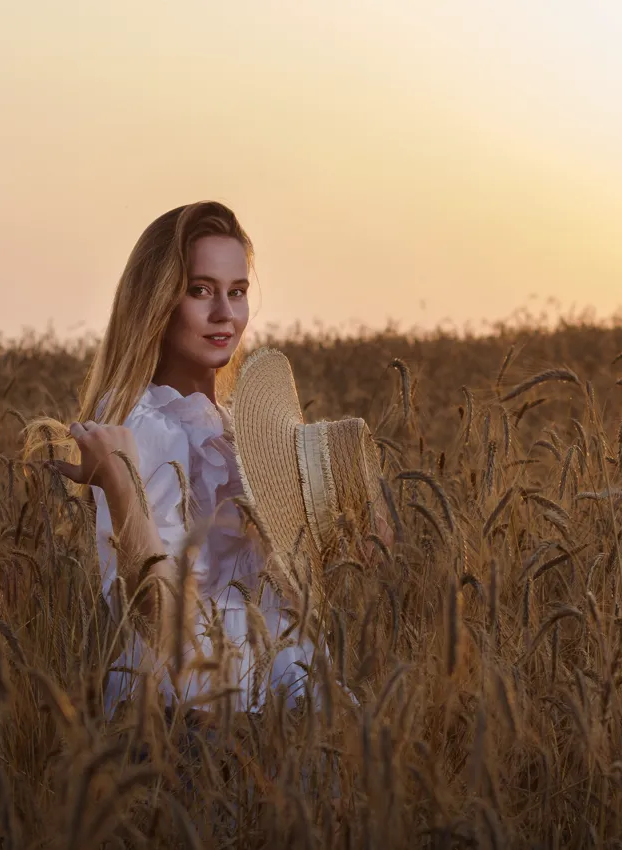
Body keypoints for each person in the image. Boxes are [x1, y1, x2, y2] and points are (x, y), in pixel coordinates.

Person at [36, 202, 382, 725]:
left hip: (277, 674)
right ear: (157, 302)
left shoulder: (233, 427)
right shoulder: (142, 424)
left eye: (237, 291)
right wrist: (121, 480)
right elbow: (157, 616)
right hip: (197, 699)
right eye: (201, 290)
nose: (225, 313)